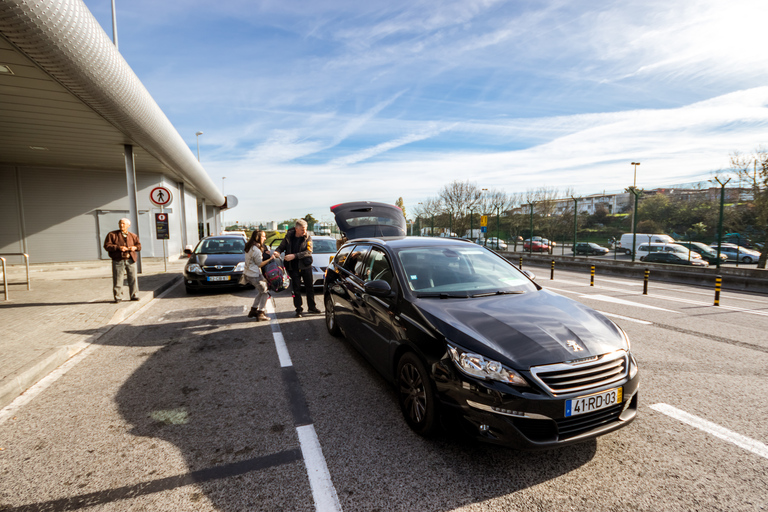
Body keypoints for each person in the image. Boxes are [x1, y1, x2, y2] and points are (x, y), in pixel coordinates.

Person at [274, 219, 321, 317]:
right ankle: (298, 309)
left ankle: (312, 307)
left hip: (305, 266)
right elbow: (281, 247)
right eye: (302, 230)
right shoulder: (288, 237)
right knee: (296, 289)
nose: (304, 232)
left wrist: (294, 256)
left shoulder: (308, 238)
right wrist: (277, 252)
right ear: (296, 229)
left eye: (305, 229)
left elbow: (309, 251)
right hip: (293, 267)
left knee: (310, 288)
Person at [103, 217, 141, 303]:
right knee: (118, 279)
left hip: (131, 260)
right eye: (120, 223)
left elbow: (139, 246)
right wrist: (119, 248)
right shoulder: (112, 235)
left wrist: (134, 247)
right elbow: (107, 246)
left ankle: (134, 295)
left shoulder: (133, 236)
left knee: (133, 278)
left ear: (128, 225)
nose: (121, 225)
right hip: (118, 260)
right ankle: (118, 296)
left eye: (124, 223)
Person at [243, 229, 274, 321]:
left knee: (261, 291)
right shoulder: (256, 250)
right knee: (265, 292)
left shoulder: (250, 247)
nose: (265, 238)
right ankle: (261, 313)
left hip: (248, 273)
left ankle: (253, 310)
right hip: (254, 275)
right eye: (263, 236)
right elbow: (259, 264)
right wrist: (270, 258)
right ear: (258, 238)